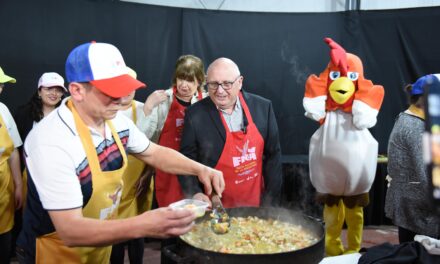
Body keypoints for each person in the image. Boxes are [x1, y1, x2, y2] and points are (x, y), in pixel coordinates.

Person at [15, 42, 224, 264]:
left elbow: (153, 153)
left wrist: (201, 169)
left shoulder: (115, 121)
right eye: (110, 91)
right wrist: (146, 224)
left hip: (98, 250)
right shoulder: (51, 141)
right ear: (77, 90)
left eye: (123, 88)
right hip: (57, 254)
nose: (122, 98)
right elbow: (71, 230)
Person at [303, 38, 384, 256]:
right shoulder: (325, 114)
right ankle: (332, 246)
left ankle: (354, 248)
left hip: (356, 180)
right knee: (332, 214)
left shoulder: (360, 117)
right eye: (336, 76)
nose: (342, 84)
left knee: (355, 214)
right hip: (330, 179)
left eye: (350, 77)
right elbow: (314, 100)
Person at [178, 57, 283, 208]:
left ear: (239, 82)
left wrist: (270, 205)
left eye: (227, 84)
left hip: (258, 206)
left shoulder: (262, 108)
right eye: (213, 84)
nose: (219, 91)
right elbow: (185, 159)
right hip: (217, 207)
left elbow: (273, 157)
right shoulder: (195, 114)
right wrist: (194, 192)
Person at [138, 54, 208, 207]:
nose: (184, 85)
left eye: (190, 80)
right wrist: (148, 106)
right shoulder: (162, 100)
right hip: (167, 169)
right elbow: (142, 137)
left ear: (200, 81)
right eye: (180, 78)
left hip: (196, 169)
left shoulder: (207, 101)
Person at [385, 74, 440, 243]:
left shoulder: (414, 120)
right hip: (417, 210)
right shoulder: (415, 127)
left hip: (413, 205)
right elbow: (428, 177)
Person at [110, 67, 153, 264]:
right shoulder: (107, 111)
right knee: (114, 233)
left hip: (138, 182)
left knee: (138, 230)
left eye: (131, 87)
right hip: (112, 183)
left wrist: (147, 175)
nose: (127, 92)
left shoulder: (145, 109)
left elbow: (155, 148)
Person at [0, 66, 23, 264]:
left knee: (4, 242)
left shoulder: (3, 110)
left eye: (1, 85)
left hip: (3, 193)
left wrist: (18, 185)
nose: (0, 89)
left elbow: (14, 151)